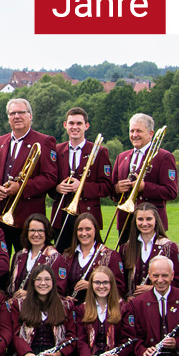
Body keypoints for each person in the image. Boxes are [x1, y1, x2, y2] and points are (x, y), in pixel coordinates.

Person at [0, 98, 58, 250]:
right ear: (8, 117)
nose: (17, 116)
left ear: (30, 115)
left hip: (27, 216)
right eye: (12, 113)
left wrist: (21, 187)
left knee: (25, 262)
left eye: (21, 112)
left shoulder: (44, 141)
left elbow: (50, 178)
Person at [7, 265, 78, 356]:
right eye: (38, 279)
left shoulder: (66, 304)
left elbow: (71, 335)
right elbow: (15, 334)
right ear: (32, 282)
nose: (43, 283)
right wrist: (26, 353)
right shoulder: (19, 304)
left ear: (53, 282)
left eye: (47, 279)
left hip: (55, 351)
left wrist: (59, 353)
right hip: (29, 350)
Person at [49, 107, 113, 251]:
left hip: (88, 215)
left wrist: (82, 187)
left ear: (86, 126)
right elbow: (49, 182)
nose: (75, 127)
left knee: (90, 258)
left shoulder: (99, 151)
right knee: (61, 259)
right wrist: (57, 188)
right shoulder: (57, 151)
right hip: (61, 216)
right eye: (71, 123)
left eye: (79, 123)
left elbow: (107, 187)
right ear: (65, 125)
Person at [111, 113, 177, 245]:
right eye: (132, 131)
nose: (134, 135)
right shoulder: (121, 157)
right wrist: (117, 189)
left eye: (139, 131)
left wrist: (144, 187)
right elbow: (112, 192)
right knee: (126, 262)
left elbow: (171, 191)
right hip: (126, 222)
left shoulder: (164, 157)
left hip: (152, 223)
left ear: (150, 133)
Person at [120, 203, 179, 296]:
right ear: (135, 221)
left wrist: (154, 288)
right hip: (133, 305)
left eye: (149, 219)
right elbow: (120, 281)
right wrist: (127, 297)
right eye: (140, 219)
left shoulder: (170, 247)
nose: (144, 223)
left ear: (156, 220)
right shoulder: (125, 248)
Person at [64, 212, 125, 299]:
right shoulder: (66, 256)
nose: (84, 233)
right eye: (80, 229)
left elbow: (119, 289)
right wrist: (65, 299)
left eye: (88, 229)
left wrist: (93, 286)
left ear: (95, 230)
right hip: (72, 310)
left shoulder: (110, 255)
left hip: (98, 310)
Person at [8, 214, 69, 298]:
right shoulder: (19, 255)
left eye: (40, 230)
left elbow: (59, 291)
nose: (36, 234)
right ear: (27, 232)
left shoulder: (56, 258)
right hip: (17, 307)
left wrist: (29, 294)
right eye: (32, 230)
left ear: (46, 232)